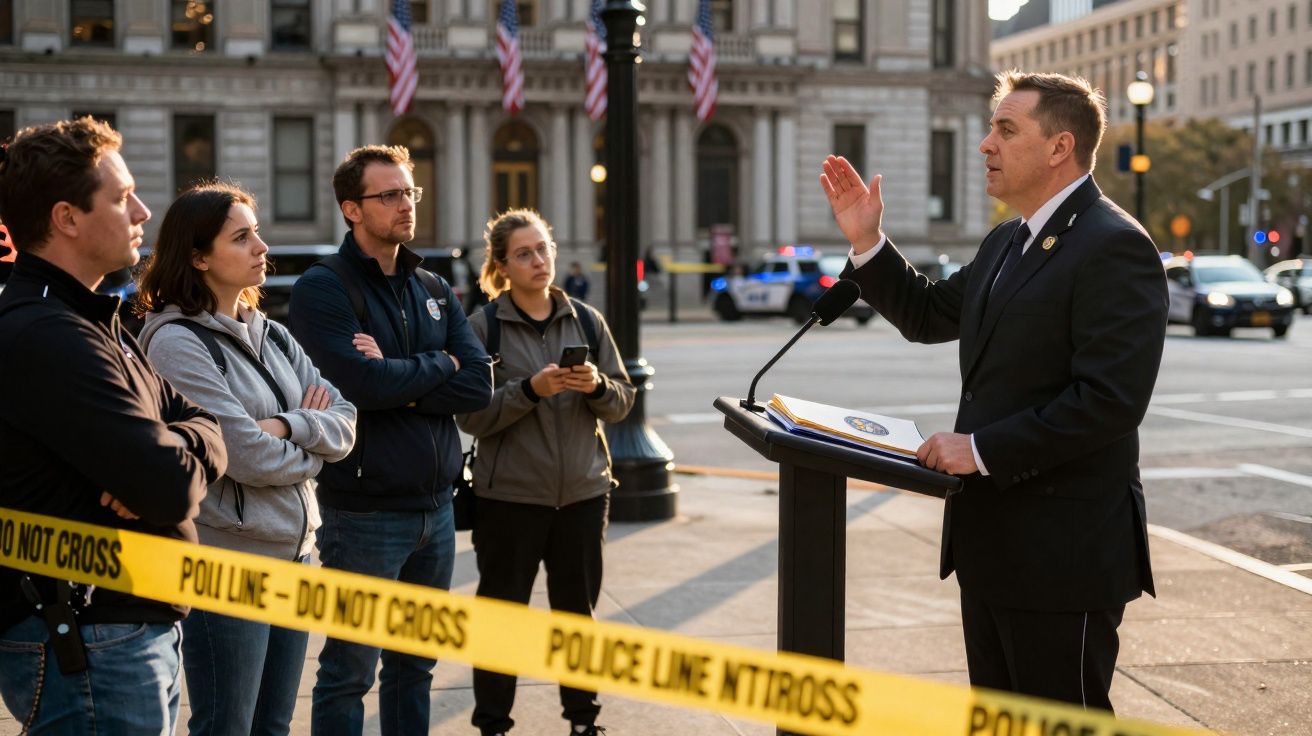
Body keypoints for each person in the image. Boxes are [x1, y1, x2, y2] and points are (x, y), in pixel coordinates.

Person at [819, 71, 1168, 711]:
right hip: (992, 546)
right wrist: (867, 241)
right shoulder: (1008, 239)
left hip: (1064, 558)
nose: (986, 144)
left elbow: (1110, 401)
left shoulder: (1114, 247)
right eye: (991, 128)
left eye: (1006, 130)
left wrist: (979, 449)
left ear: (1060, 146)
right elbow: (928, 315)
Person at [0, 117, 227, 733]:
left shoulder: (97, 320)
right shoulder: (48, 334)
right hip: (90, 641)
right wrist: (171, 454)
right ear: (67, 218)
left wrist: (179, 441)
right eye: (122, 197)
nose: (143, 211)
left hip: (123, 633)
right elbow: (168, 487)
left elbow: (204, 422)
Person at [135, 183, 357, 736]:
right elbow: (244, 455)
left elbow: (346, 419)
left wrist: (288, 426)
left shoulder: (274, 334)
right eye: (242, 236)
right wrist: (312, 447)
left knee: (274, 725)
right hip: (227, 565)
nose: (262, 246)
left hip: (297, 555)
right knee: (226, 726)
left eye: (256, 231)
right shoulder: (175, 342)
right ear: (198, 257)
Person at [288, 144, 492, 736]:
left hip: (437, 508)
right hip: (363, 512)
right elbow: (359, 385)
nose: (406, 204)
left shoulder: (430, 282)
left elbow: (478, 385)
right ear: (352, 209)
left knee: (415, 667)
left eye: (410, 192)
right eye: (390, 195)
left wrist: (407, 371)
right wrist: (440, 364)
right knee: (350, 670)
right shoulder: (324, 288)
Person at [457, 209, 634, 736]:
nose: (539, 260)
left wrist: (596, 386)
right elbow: (470, 415)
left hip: (582, 492)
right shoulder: (482, 327)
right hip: (510, 497)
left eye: (544, 248)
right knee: (502, 615)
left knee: (577, 616)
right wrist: (529, 391)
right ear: (502, 265)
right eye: (525, 253)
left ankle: (584, 721)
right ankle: (493, 725)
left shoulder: (586, 319)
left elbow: (623, 402)